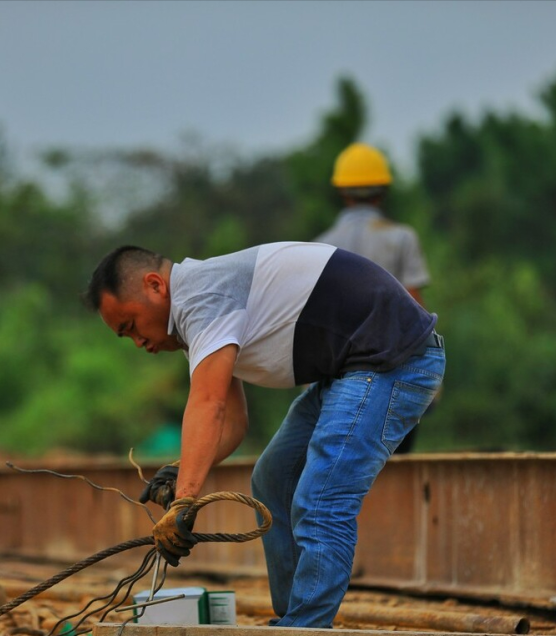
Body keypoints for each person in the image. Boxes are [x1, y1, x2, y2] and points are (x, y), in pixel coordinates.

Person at [83, 242, 444, 627]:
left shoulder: (202, 296)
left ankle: (304, 628)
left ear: (155, 286)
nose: (139, 342)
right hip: (352, 370)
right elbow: (233, 423)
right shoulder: (202, 311)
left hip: (394, 363)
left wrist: (184, 499)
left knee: (321, 500)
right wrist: (179, 470)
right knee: (273, 476)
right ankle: (295, 618)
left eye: (131, 326)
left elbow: (209, 405)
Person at [314, 142, 434, 452]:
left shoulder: (321, 246)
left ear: (342, 191)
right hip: (393, 372)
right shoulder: (401, 238)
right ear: (383, 190)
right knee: (394, 459)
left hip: (338, 380)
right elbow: (414, 304)